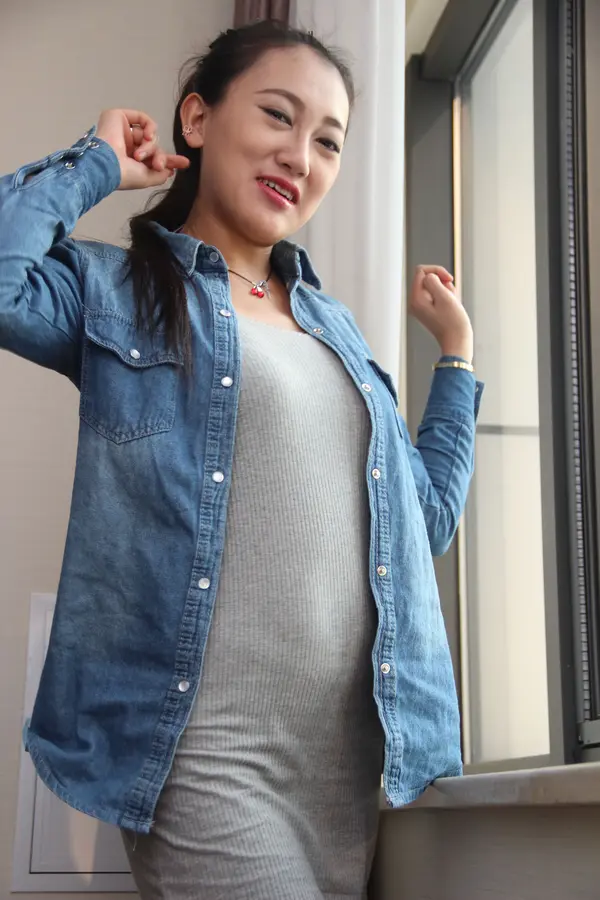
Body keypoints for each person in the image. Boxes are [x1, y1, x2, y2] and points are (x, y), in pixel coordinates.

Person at [0, 19, 482, 900]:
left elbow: (429, 521)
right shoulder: (117, 290)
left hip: (342, 776)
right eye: (278, 115)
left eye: (328, 141)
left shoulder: (339, 336)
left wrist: (456, 357)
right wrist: (96, 163)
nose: (300, 155)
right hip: (202, 757)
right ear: (197, 118)